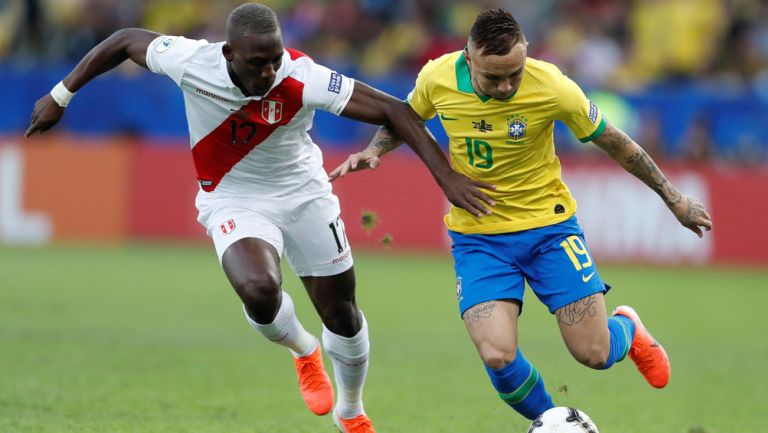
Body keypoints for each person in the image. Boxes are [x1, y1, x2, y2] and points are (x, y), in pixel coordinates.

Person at [24, 4, 493, 433]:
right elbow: (125, 38)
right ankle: (303, 349)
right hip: (233, 198)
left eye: (275, 59)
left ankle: (351, 410)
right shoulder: (191, 60)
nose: (270, 71)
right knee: (260, 291)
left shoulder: (302, 76)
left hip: (305, 195)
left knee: (342, 314)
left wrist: (446, 178)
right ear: (229, 53)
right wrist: (61, 95)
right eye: (257, 63)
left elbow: (395, 109)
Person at [331, 8, 712, 421]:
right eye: (494, 78)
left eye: (515, 72)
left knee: (596, 353)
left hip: (550, 229)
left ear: (526, 53)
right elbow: (403, 120)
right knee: (497, 355)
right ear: (469, 57)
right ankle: (553, 422)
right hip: (479, 237)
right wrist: (375, 149)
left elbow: (615, 142)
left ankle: (629, 329)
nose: (507, 85)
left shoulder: (551, 86)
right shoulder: (436, 78)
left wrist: (673, 197)